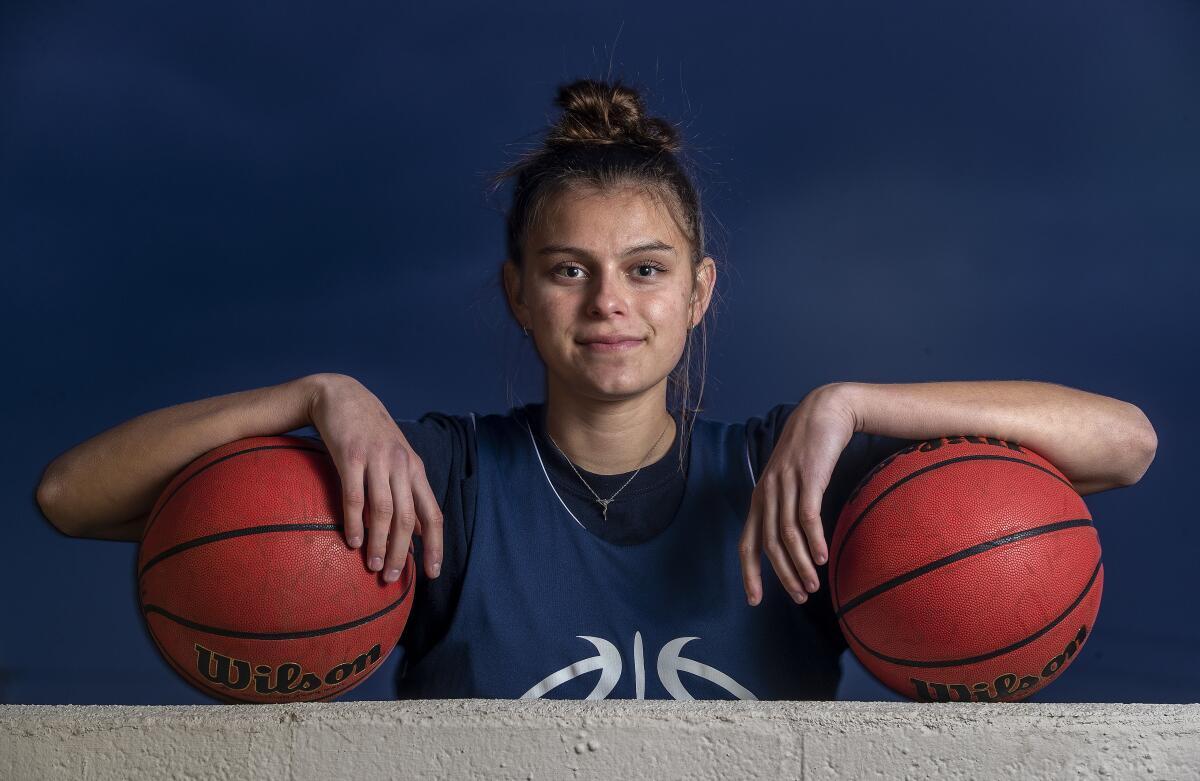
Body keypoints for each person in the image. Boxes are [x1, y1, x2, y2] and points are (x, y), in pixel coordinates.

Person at [35, 78, 1158, 701]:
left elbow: (1125, 442)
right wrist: (315, 394)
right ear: (518, 292)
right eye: (570, 270)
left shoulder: (791, 475)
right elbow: (70, 497)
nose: (608, 303)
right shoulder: (433, 483)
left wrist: (852, 403)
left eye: (647, 270)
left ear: (700, 291)